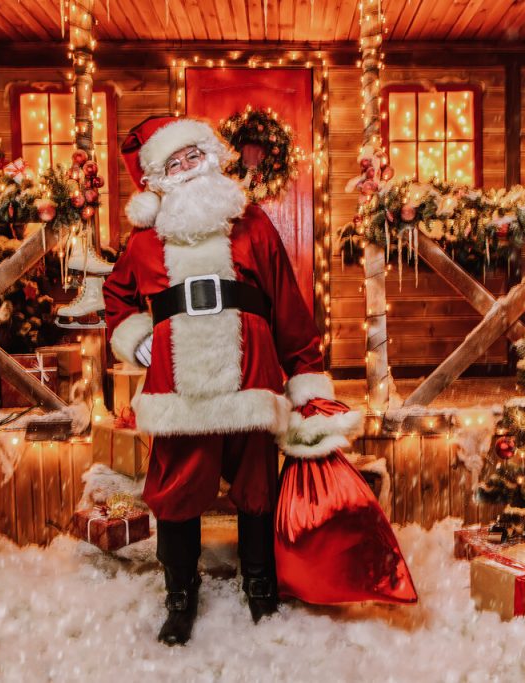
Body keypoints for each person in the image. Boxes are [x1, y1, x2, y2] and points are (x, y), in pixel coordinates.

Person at [105, 116, 360, 646]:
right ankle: (180, 596)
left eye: (192, 157)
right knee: (177, 485)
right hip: (181, 385)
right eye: (173, 165)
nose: (186, 170)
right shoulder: (144, 241)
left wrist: (306, 373)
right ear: (159, 179)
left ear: (210, 158)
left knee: (257, 484)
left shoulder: (252, 223)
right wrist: (136, 336)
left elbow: (288, 303)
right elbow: (118, 296)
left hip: (251, 375)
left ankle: (261, 588)